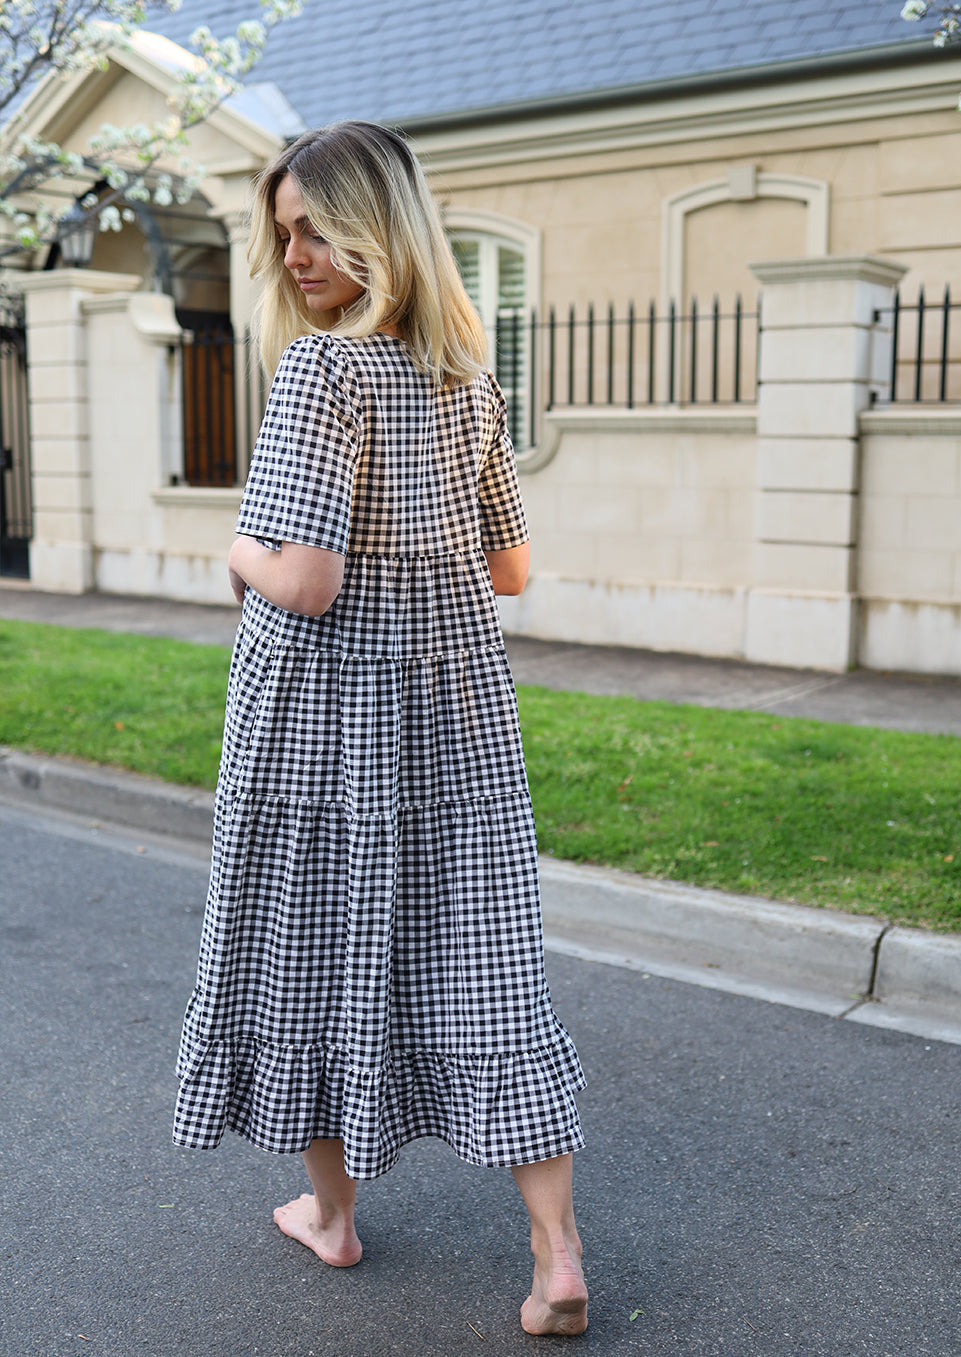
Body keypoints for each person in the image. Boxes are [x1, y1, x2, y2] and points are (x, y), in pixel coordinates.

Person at [172, 121, 588, 1336]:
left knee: (303, 948)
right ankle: (555, 1252)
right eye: (285, 230)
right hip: (454, 720)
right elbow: (510, 567)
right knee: (489, 967)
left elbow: (300, 579)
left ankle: (335, 1217)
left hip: (319, 726)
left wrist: (233, 547)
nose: (295, 254)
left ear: (376, 230)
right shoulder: (466, 373)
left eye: (317, 229)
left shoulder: (321, 372)